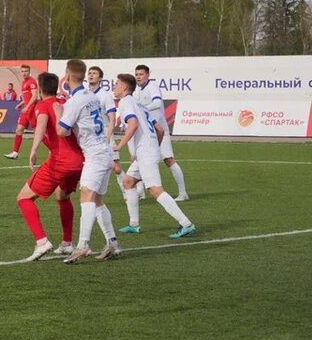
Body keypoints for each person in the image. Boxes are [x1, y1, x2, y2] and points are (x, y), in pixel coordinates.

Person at [113, 73, 196, 238]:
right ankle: (134, 224)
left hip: (145, 152)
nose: (114, 87)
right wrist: (154, 148)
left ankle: (186, 224)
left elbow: (133, 125)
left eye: (116, 84)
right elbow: (160, 129)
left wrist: (119, 146)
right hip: (148, 151)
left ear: (124, 87)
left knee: (155, 190)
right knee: (128, 182)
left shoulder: (125, 102)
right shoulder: (139, 104)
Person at [56, 59, 121, 263]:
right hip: (105, 149)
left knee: (86, 196)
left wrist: (59, 114)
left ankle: (83, 245)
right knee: (98, 200)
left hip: (95, 154)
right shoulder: (91, 95)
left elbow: (62, 131)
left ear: (67, 76)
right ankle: (112, 243)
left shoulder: (76, 101)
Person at [17, 72, 80, 260]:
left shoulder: (43, 105)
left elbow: (41, 126)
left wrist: (34, 149)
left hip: (61, 161)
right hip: (78, 161)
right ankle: (67, 243)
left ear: (40, 88)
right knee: (62, 196)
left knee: (23, 198)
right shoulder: (65, 102)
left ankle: (42, 241)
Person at [135, 64, 189, 202]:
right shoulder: (139, 91)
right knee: (139, 159)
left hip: (160, 131)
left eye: (141, 74)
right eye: (137, 74)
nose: (138, 77)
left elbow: (157, 103)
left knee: (169, 160)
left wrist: (142, 108)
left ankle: (183, 193)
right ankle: (140, 192)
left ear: (148, 75)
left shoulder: (152, 87)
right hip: (148, 133)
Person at [4, 66, 40, 160]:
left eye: (26, 71)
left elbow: (35, 96)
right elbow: (27, 97)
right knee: (19, 130)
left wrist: (27, 107)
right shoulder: (24, 82)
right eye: (22, 71)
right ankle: (15, 153)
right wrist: (21, 104)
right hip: (26, 110)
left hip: (32, 110)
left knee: (39, 133)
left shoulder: (32, 82)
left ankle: (53, 150)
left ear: (29, 72)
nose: (24, 73)